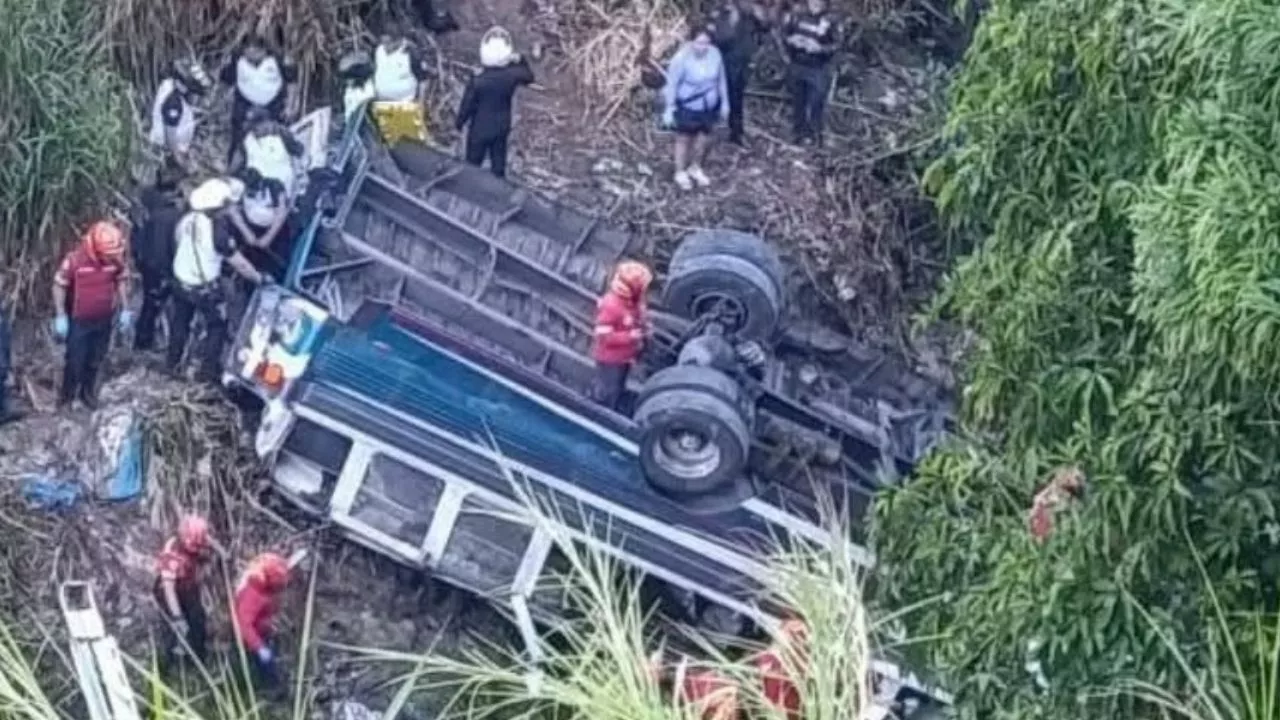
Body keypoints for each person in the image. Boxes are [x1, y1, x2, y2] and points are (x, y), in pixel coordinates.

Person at [167, 178, 269, 383]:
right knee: (218, 326)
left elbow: (178, 239)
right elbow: (240, 264)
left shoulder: (189, 219)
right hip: (202, 288)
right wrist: (260, 278)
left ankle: (172, 363)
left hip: (180, 280)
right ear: (219, 208)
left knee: (180, 321)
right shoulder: (218, 233)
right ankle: (207, 374)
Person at [52, 221, 132, 409]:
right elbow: (59, 285)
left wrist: (125, 309)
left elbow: (121, 281)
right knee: (74, 361)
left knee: (96, 359)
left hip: (104, 317)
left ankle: (88, 394)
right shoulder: (74, 261)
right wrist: (60, 314)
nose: (112, 259)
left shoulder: (115, 260)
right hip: (79, 319)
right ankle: (66, 398)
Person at [455, 27, 535, 179]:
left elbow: (467, 105)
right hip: (501, 126)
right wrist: (520, 59)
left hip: (479, 129)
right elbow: (529, 76)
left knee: (472, 165)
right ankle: (499, 195)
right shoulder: (511, 75)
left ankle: (469, 191)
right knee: (498, 165)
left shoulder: (478, 80)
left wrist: (459, 123)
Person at [661, 29, 729, 190]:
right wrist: (669, 108)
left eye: (706, 43)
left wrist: (725, 102)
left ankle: (696, 167)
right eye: (699, 43)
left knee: (704, 137)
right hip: (688, 104)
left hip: (709, 104)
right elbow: (672, 84)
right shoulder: (681, 58)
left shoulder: (715, 54)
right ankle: (680, 171)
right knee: (684, 138)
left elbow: (721, 79)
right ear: (691, 42)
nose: (702, 47)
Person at [132, 164, 186, 352]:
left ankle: (143, 340)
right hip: (162, 265)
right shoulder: (174, 216)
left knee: (149, 303)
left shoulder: (147, 200)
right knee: (154, 305)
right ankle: (145, 341)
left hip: (145, 259)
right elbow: (171, 245)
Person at [221, 39, 298, 166]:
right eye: (248, 49)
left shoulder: (278, 58)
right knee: (239, 139)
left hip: (274, 105)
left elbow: (292, 81)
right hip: (245, 105)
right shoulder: (237, 59)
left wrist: (290, 105)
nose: (251, 52)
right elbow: (226, 80)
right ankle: (235, 170)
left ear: (264, 50)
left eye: (256, 49)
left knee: (277, 137)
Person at [153, 514, 213, 672]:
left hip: (189, 586)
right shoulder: (171, 554)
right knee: (171, 629)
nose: (197, 548)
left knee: (198, 620)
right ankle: (165, 666)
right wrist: (177, 616)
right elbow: (168, 589)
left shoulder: (199, 539)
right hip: (170, 590)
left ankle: (197, 660)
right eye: (194, 545)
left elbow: (206, 550)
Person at [707, 1, 770, 147]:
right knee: (714, 94)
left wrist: (758, 15)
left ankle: (736, 132)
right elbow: (713, 34)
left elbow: (765, 26)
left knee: (736, 96)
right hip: (719, 58)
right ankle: (709, 130)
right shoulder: (719, 9)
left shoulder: (748, 9)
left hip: (740, 59)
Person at [591, 261, 652, 411]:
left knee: (619, 384)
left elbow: (637, 313)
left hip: (624, 357)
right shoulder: (611, 306)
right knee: (607, 389)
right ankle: (601, 410)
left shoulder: (632, 302)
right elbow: (603, 336)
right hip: (610, 359)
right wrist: (629, 336)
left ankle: (616, 402)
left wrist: (644, 324)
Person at [781, 0, 839, 146]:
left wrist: (820, 49)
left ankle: (816, 138)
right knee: (798, 102)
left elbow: (838, 46)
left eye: (819, 2)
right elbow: (784, 34)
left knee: (816, 104)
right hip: (798, 64)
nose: (816, 3)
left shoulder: (831, 20)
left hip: (818, 68)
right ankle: (798, 134)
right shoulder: (797, 15)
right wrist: (791, 41)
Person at [234, 552, 290, 690]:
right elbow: (244, 625)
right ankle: (270, 689)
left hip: (263, 625)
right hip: (253, 636)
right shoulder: (252, 595)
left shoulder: (261, 574)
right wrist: (259, 647)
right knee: (264, 665)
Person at [147, 59, 213, 170]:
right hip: (167, 152)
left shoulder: (169, 85)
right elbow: (170, 136)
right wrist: (181, 162)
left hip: (173, 146)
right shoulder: (174, 103)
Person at [369, 35, 432, 145]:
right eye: (384, 43)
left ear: (399, 41)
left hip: (404, 106)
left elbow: (423, 80)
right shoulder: (378, 50)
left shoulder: (412, 53)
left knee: (410, 143)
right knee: (387, 142)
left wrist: (421, 104)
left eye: (389, 44)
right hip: (382, 105)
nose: (386, 47)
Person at [239, 113, 307, 202]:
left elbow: (298, 150)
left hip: (283, 188)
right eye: (253, 127)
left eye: (258, 126)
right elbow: (240, 159)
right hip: (258, 192)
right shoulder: (248, 140)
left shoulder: (280, 132)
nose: (256, 130)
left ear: (267, 122)